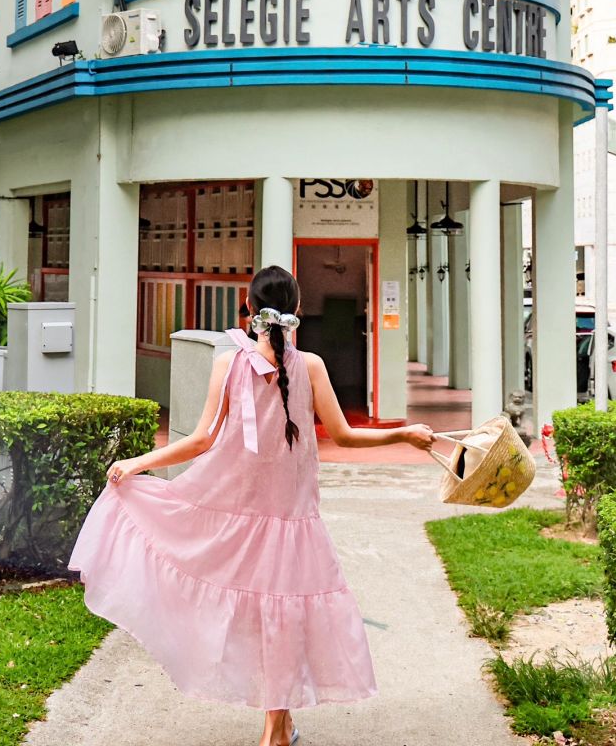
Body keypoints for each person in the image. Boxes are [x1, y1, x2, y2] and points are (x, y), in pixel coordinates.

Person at [70, 265, 435, 746]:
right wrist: (403, 433)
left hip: (238, 514)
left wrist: (140, 463)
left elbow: (201, 441)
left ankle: (277, 727)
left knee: (260, 614)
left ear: (249, 309)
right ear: (298, 310)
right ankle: (275, 729)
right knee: (282, 615)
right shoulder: (311, 366)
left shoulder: (229, 363)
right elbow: (344, 437)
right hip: (291, 518)